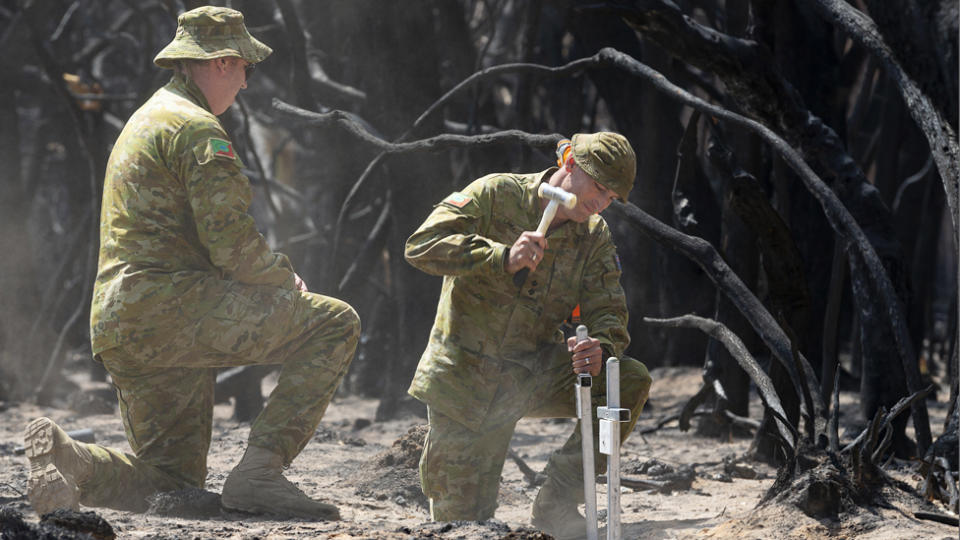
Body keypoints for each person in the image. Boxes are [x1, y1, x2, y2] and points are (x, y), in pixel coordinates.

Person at [24, 6, 359, 519]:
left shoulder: (145, 118)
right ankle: (261, 474)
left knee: (171, 484)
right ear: (222, 62)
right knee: (335, 322)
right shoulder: (198, 129)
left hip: (123, 323)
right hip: (175, 309)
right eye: (246, 67)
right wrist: (281, 276)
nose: (246, 83)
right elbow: (231, 244)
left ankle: (73, 462)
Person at [405, 132, 653, 539]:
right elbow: (421, 245)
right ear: (570, 165)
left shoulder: (593, 236)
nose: (601, 202)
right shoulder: (496, 194)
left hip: (529, 374)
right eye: (598, 188)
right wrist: (499, 256)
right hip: (463, 380)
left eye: (612, 197)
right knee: (464, 524)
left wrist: (600, 346)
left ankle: (559, 496)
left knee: (626, 378)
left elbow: (608, 309)